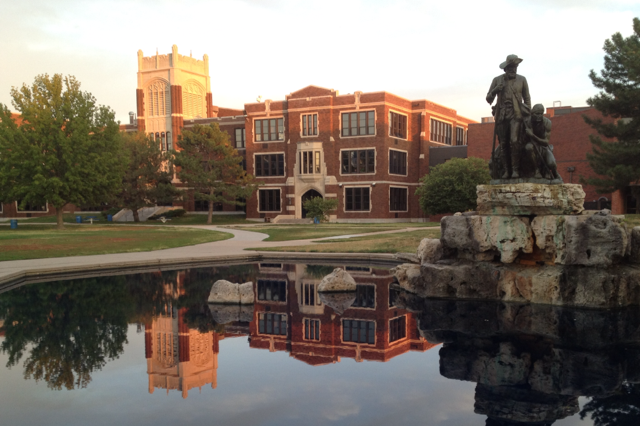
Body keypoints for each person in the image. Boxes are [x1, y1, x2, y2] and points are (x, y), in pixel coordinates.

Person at [486, 54, 531, 179]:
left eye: (515, 66)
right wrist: (495, 90)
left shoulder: (522, 79)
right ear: (505, 68)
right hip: (501, 114)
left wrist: (528, 114)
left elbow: (527, 98)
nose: (513, 69)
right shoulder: (497, 80)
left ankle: (516, 170)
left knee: (514, 141)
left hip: (516, 114)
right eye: (511, 66)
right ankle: (507, 171)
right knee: (504, 143)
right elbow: (488, 98)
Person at [524, 104, 562, 181]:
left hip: (543, 146)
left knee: (551, 163)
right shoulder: (527, 122)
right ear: (532, 113)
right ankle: (536, 170)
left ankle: (555, 173)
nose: (539, 116)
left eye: (541, 113)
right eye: (537, 114)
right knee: (528, 147)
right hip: (532, 145)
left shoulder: (547, 122)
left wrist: (532, 135)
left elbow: (546, 142)